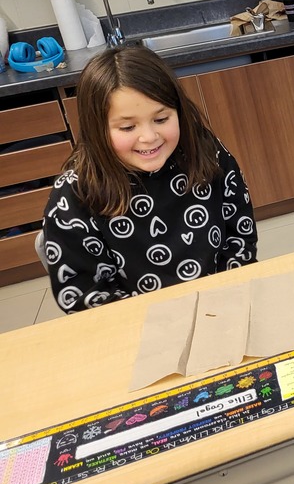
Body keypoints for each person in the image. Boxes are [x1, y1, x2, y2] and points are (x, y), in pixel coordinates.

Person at [41, 45, 257, 313]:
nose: (149, 137)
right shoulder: (76, 194)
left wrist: (227, 294)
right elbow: (84, 294)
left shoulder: (204, 151)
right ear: (97, 128)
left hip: (221, 303)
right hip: (136, 326)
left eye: (161, 118)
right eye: (128, 127)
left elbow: (240, 235)